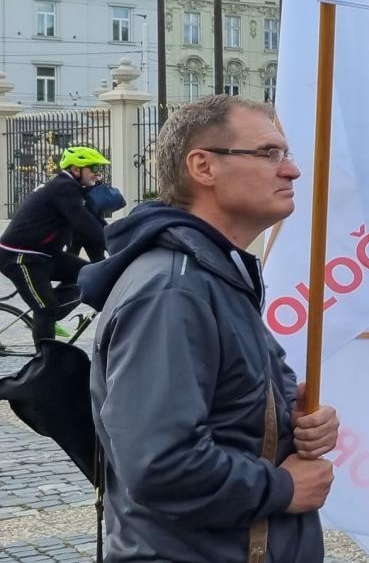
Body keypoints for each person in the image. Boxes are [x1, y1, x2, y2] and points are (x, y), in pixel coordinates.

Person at [79, 96, 337, 563]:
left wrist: (287, 418)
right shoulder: (173, 290)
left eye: (287, 154)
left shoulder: (214, 273)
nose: (292, 171)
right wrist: (283, 487)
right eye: (269, 153)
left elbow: (219, 411)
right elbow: (162, 464)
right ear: (203, 166)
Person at [1, 145, 111, 342]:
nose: (98, 174)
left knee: (89, 275)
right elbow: (86, 226)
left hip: (44, 255)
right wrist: (114, 249)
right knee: (47, 310)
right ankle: (45, 364)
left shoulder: (75, 191)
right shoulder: (64, 188)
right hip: (20, 258)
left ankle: (45, 300)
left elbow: (95, 225)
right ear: (76, 169)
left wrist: (122, 246)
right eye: (93, 168)